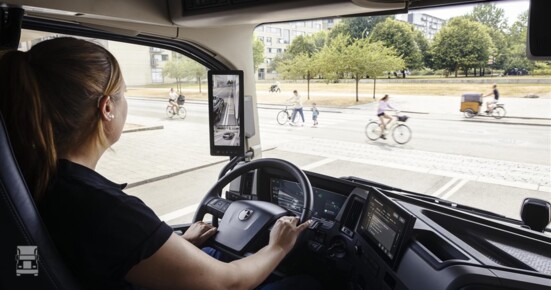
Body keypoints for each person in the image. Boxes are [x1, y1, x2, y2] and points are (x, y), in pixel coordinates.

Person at [0, 37, 315, 290]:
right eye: (123, 94)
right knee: (307, 283)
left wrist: (173, 244)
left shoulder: (41, 180)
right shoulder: (103, 207)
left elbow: (102, 253)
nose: (126, 102)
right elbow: (227, 282)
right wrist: (278, 246)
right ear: (107, 107)